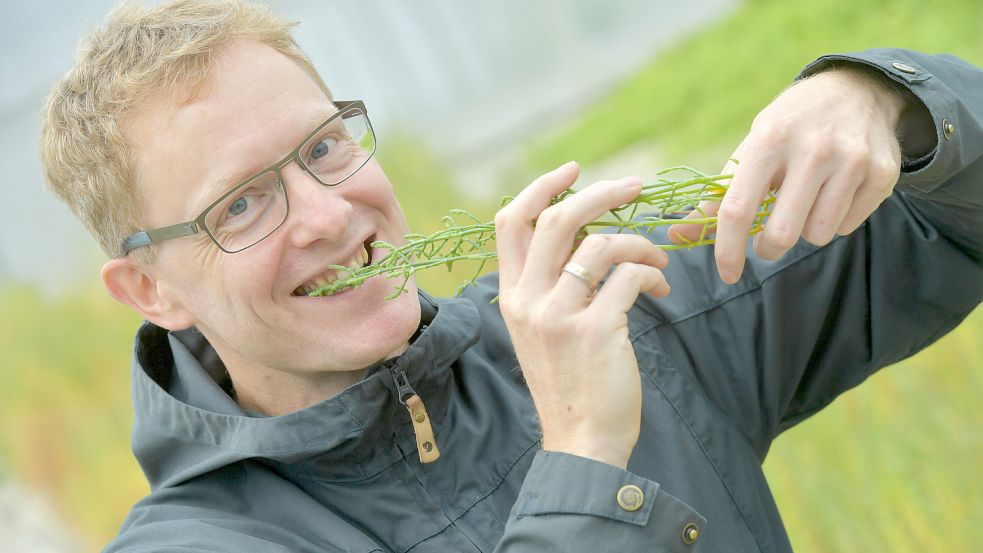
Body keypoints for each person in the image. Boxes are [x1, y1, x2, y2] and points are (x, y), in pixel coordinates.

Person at [39, 1, 982, 551]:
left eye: (324, 146)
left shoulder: (608, 316)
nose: (329, 215)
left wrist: (886, 103)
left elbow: (951, 229)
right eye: (240, 203)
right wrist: (580, 456)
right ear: (150, 290)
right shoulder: (197, 545)